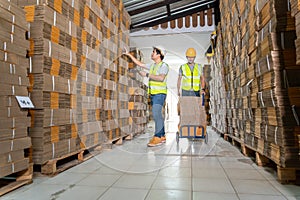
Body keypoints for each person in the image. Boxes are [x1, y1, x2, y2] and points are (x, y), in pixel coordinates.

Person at [123, 46, 169, 147]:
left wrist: (147, 75)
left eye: (154, 52)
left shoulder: (164, 66)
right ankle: (162, 136)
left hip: (160, 94)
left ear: (159, 54)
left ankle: (157, 137)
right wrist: (128, 54)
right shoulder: (152, 66)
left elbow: (161, 78)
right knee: (158, 114)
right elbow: (140, 64)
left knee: (156, 114)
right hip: (153, 94)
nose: (152, 53)